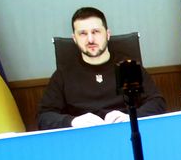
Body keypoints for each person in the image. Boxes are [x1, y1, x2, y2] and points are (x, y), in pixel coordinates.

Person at [37, 7, 167, 130]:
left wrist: (131, 117)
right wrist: (73, 121)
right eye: (83, 34)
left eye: (96, 32)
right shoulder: (63, 74)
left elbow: (157, 102)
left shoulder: (128, 66)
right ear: (74, 39)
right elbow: (43, 117)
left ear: (107, 34)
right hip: (83, 138)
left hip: (125, 132)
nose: (90, 39)